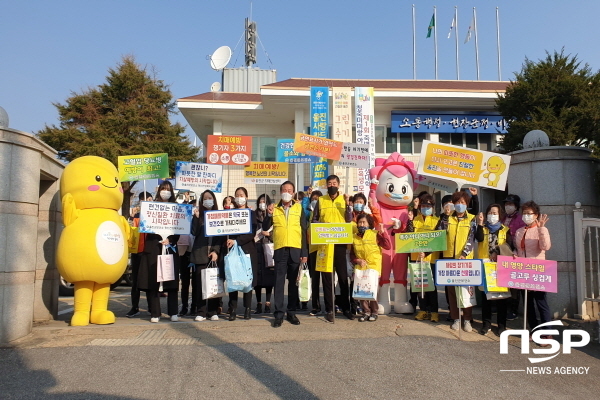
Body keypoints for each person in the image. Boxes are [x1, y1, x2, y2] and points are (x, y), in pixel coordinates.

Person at [262, 181, 308, 327]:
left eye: (289, 190)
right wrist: (268, 215)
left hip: (295, 249)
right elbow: (265, 227)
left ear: (293, 193)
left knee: (293, 284)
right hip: (280, 249)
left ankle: (292, 312)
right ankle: (279, 314)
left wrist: (304, 252)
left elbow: (303, 230)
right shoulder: (274, 208)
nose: (287, 192)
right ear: (281, 192)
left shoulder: (299, 207)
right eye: (284, 190)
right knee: (279, 283)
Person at [311, 175, 354, 322]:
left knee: (342, 277)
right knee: (327, 278)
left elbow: (349, 219)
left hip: (340, 244)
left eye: (334, 183)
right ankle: (329, 308)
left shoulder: (344, 200)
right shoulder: (321, 200)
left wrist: (349, 205)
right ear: (326, 186)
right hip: (324, 244)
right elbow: (314, 219)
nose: (332, 185)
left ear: (339, 185)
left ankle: (346, 307)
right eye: (329, 183)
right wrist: (321, 228)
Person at [137, 181, 180, 323]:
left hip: (169, 248)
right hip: (154, 247)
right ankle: (155, 313)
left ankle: (173, 312)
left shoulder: (176, 208)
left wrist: (171, 239)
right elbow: (145, 226)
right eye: (163, 189)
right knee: (154, 281)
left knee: (171, 280)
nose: (165, 192)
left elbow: (180, 228)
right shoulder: (151, 207)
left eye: (168, 189)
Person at [436, 190, 477, 332]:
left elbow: (471, 238)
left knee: (466, 290)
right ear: (453, 204)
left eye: (463, 203)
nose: (460, 205)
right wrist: (445, 217)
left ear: (467, 204)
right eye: (458, 202)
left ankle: (467, 319)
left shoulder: (472, 218)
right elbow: (439, 234)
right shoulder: (448, 218)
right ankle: (455, 318)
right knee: (452, 290)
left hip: (465, 259)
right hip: (449, 258)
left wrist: (465, 253)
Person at [513, 201, 552, 340]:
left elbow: (545, 246)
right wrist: (514, 254)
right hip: (523, 271)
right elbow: (518, 249)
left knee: (541, 303)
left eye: (529, 213)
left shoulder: (542, 229)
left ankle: (547, 333)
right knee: (528, 304)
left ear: (536, 215)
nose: (526, 216)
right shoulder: (519, 231)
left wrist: (541, 229)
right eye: (524, 213)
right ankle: (534, 330)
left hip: (538, 271)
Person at [475, 204, 511, 336]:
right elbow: (478, 238)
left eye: (495, 213)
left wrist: (497, 252)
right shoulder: (483, 228)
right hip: (486, 266)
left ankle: (502, 325)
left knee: (502, 297)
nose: (492, 215)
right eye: (490, 212)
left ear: (500, 215)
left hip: (501, 266)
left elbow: (509, 246)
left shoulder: (505, 229)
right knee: (486, 298)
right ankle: (486, 324)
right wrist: (479, 223)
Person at [190, 190, 224, 321]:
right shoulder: (198, 215)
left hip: (214, 255)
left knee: (214, 282)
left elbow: (220, 235)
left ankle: (212, 311)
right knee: (200, 284)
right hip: (200, 254)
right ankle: (201, 311)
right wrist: (197, 218)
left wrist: (216, 251)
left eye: (210, 198)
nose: (208, 200)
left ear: (214, 200)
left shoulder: (218, 215)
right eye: (205, 198)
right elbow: (194, 232)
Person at [406, 194, 440, 323]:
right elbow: (409, 237)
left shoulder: (437, 221)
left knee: (431, 287)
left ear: (432, 207)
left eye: (429, 206)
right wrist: (409, 220)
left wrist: (425, 253)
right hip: (416, 259)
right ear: (420, 207)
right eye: (424, 206)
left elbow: (437, 240)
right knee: (419, 286)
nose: (426, 208)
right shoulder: (415, 220)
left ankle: (434, 312)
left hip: (430, 259)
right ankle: (423, 310)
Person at [351, 214, 391, 322]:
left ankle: (374, 312)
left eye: (364, 222)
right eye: (360, 222)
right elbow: (352, 255)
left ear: (369, 224)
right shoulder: (354, 237)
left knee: (372, 291)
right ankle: (365, 312)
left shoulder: (375, 234)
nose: (362, 224)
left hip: (373, 268)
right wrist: (357, 260)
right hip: (360, 268)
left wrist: (383, 232)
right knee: (362, 292)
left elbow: (387, 246)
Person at [226, 187, 258, 321]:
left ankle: (247, 309)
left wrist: (237, 241)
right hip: (233, 251)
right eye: (237, 195)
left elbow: (252, 233)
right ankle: (232, 309)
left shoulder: (251, 213)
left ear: (246, 197)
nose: (240, 197)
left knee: (247, 280)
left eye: (242, 195)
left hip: (247, 249)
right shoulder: (230, 213)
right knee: (233, 279)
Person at [126, 191, 153, 318]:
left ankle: (151, 307)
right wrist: (131, 221)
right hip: (137, 252)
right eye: (144, 199)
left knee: (149, 280)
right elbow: (131, 232)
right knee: (136, 281)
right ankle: (134, 307)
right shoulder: (136, 216)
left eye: (150, 198)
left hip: (150, 252)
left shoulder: (155, 215)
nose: (148, 201)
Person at [501, 194, 526, 321]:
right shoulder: (503, 218)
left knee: (515, 284)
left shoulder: (520, 219)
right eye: (506, 204)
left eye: (510, 204)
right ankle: (503, 307)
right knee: (504, 281)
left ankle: (514, 310)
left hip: (516, 253)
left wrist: (516, 250)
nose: (508, 206)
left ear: (516, 206)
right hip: (503, 252)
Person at [254, 193, 275, 314]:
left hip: (269, 247)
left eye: (264, 202)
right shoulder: (253, 215)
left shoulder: (273, 215)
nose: (262, 204)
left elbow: (278, 231)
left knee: (269, 276)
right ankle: (258, 303)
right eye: (260, 201)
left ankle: (268, 302)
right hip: (257, 248)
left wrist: (270, 235)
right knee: (257, 277)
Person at [307, 190, 323, 315]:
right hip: (312, 250)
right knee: (315, 279)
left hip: (324, 248)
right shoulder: (308, 215)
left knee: (329, 280)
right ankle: (315, 305)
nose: (315, 201)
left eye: (318, 199)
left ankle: (330, 304)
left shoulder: (323, 214)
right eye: (313, 198)